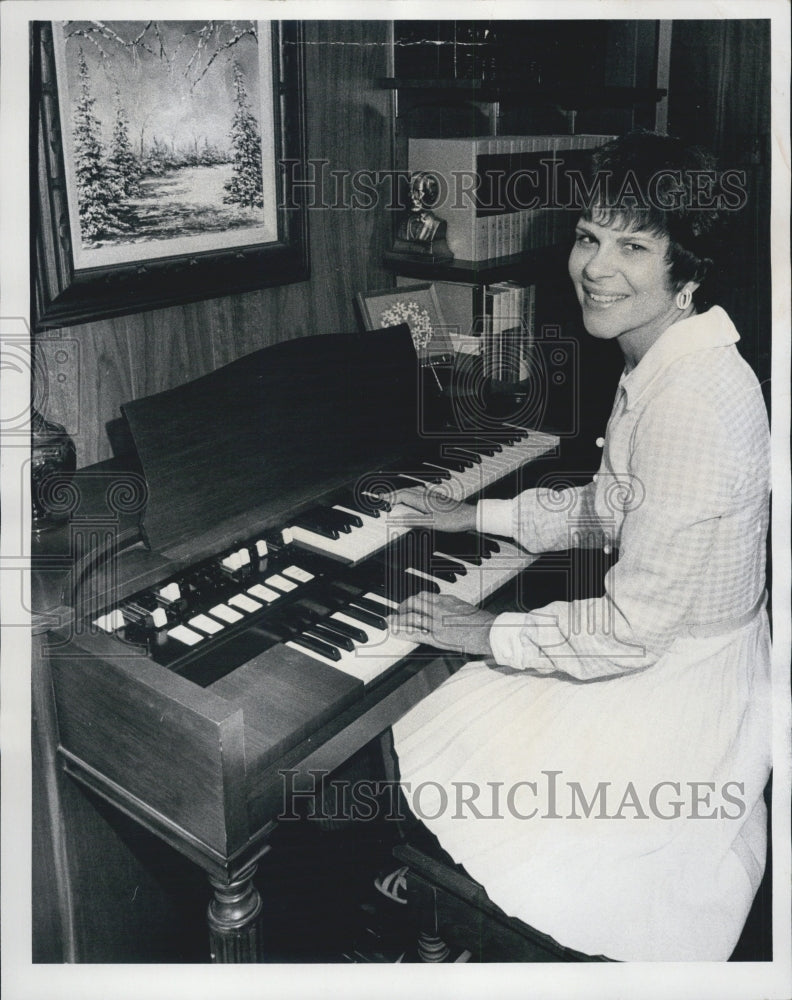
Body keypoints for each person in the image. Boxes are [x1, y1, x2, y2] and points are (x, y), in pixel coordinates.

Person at [387, 131, 772, 962]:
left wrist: (480, 632)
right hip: (678, 655)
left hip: (677, 689)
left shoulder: (693, 402)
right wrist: (475, 520)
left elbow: (632, 631)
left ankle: (437, 918)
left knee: (441, 727)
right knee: (445, 725)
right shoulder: (668, 359)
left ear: (688, 269)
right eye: (590, 237)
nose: (596, 267)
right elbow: (609, 507)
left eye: (635, 245)